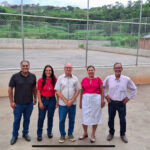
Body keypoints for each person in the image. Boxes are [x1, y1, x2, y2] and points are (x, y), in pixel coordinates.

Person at [103, 62, 137, 143]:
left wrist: (128, 98)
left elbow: (134, 89)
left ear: (122, 69)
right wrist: (106, 96)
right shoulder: (109, 78)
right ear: (114, 69)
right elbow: (102, 87)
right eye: (116, 68)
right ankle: (111, 133)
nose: (117, 69)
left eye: (119, 68)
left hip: (122, 103)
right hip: (111, 103)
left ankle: (122, 134)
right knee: (111, 119)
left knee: (122, 120)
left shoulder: (126, 79)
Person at [8, 60, 37, 145]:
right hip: (18, 105)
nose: (25, 67)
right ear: (21, 67)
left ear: (29, 66)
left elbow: (34, 88)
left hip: (29, 104)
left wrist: (35, 98)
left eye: (26, 65)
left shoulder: (33, 76)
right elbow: (10, 89)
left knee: (27, 120)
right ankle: (14, 136)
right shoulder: (15, 76)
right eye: (23, 66)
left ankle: (25, 133)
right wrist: (11, 102)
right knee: (17, 120)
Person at [54, 63, 80, 143]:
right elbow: (57, 91)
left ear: (72, 69)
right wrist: (65, 100)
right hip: (63, 104)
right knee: (62, 120)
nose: (68, 69)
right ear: (64, 68)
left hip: (73, 104)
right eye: (67, 68)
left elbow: (78, 90)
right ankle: (62, 135)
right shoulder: (60, 78)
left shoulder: (75, 78)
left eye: (70, 68)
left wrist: (72, 100)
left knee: (72, 119)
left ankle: (70, 133)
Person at [79, 65, 105, 143]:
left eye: (92, 70)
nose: (91, 71)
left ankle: (93, 134)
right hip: (86, 100)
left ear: (94, 71)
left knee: (95, 117)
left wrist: (102, 101)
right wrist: (80, 102)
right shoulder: (84, 80)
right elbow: (82, 92)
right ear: (87, 71)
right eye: (89, 70)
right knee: (84, 117)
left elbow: (102, 91)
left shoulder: (98, 79)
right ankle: (85, 133)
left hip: (96, 100)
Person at [37, 65, 58, 141]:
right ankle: (39, 134)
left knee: (50, 117)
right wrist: (40, 102)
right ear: (44, 71)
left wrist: (57, 102)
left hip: (52, 100)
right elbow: (38, 92)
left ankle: (49, 132)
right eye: (47, 70)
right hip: (43, 99)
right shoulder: (40, 80)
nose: (48, 72)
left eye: (50, 70)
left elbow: (57, 91)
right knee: (41, 117)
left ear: (52, 71)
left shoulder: (55, 80)